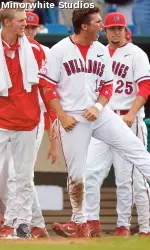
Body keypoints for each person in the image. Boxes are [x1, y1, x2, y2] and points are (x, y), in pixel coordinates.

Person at [38, 6, 150, 238]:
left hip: (101, 113)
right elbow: (46, 85)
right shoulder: (59, 50)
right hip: (72, 117)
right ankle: (80, 223)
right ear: (84, 26)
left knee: (137, 151)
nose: (102, 26)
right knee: (78, 173)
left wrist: (99, 106)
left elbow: (108, 86)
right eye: (98, 22)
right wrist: (61, 115)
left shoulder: (100, 49)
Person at [85, 12, 150, 237]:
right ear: (105, 30)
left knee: (126, 179)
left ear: (125, 30)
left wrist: (132, 112)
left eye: (119, 28)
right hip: (104, 117)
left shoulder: (136, 54)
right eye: (112, 29)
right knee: (90, 172)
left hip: (127, 118)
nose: (116, 32)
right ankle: (91, 222)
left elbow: (145, 88)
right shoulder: (99, 53)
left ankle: (123, 225)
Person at [0, 4, 57, 238]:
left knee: (22, 177)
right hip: (1, 122)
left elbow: (47, 87)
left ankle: (19, 224)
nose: (26, 24)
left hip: (28, 121)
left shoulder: (36, 50)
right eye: (21, 20)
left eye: (27, 21)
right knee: (4, 178)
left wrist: (53, 119)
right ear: (7, 22)